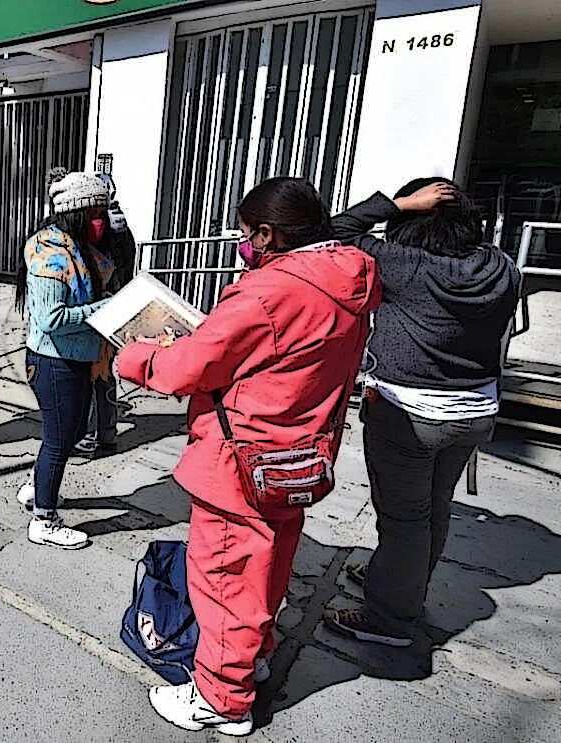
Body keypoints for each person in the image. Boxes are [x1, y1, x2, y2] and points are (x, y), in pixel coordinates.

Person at [117, 178, 380, 735]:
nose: (244, 244)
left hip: (241, 459)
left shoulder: (269, 293)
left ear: (267, 233)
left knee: (226, 579)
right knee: (268, 570)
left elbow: (190, 367)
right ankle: (252, 656)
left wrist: (138, 356)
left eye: (246, 234)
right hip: (300, 453)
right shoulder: (349, 278)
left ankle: (220, 698)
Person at [323, 179, 520, 648]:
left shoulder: (406, 266)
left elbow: (333, 230)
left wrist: (400, 203)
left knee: (404, 520)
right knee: (433, 510)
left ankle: (390, 619)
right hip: (475, 412)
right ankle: (399, 584)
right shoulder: (500, 269)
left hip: (409, 415)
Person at [7, 172, 114, 548]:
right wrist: (105, 308)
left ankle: (37, 487)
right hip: (55, 362)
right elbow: (51, 318)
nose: (103, 219)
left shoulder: (80, 245)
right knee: (60, 439)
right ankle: (44, 520)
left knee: (67, 435)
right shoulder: (49, 253)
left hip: (80, 358)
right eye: (97, 211)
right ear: (78, 212)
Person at [75, 173, 137, 456]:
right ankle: (107, 434)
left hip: (100, 305)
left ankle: (88, 436)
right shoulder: (120, 223)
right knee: (104, 374)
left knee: (90, 375)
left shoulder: (100, 227)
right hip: (115, 304)